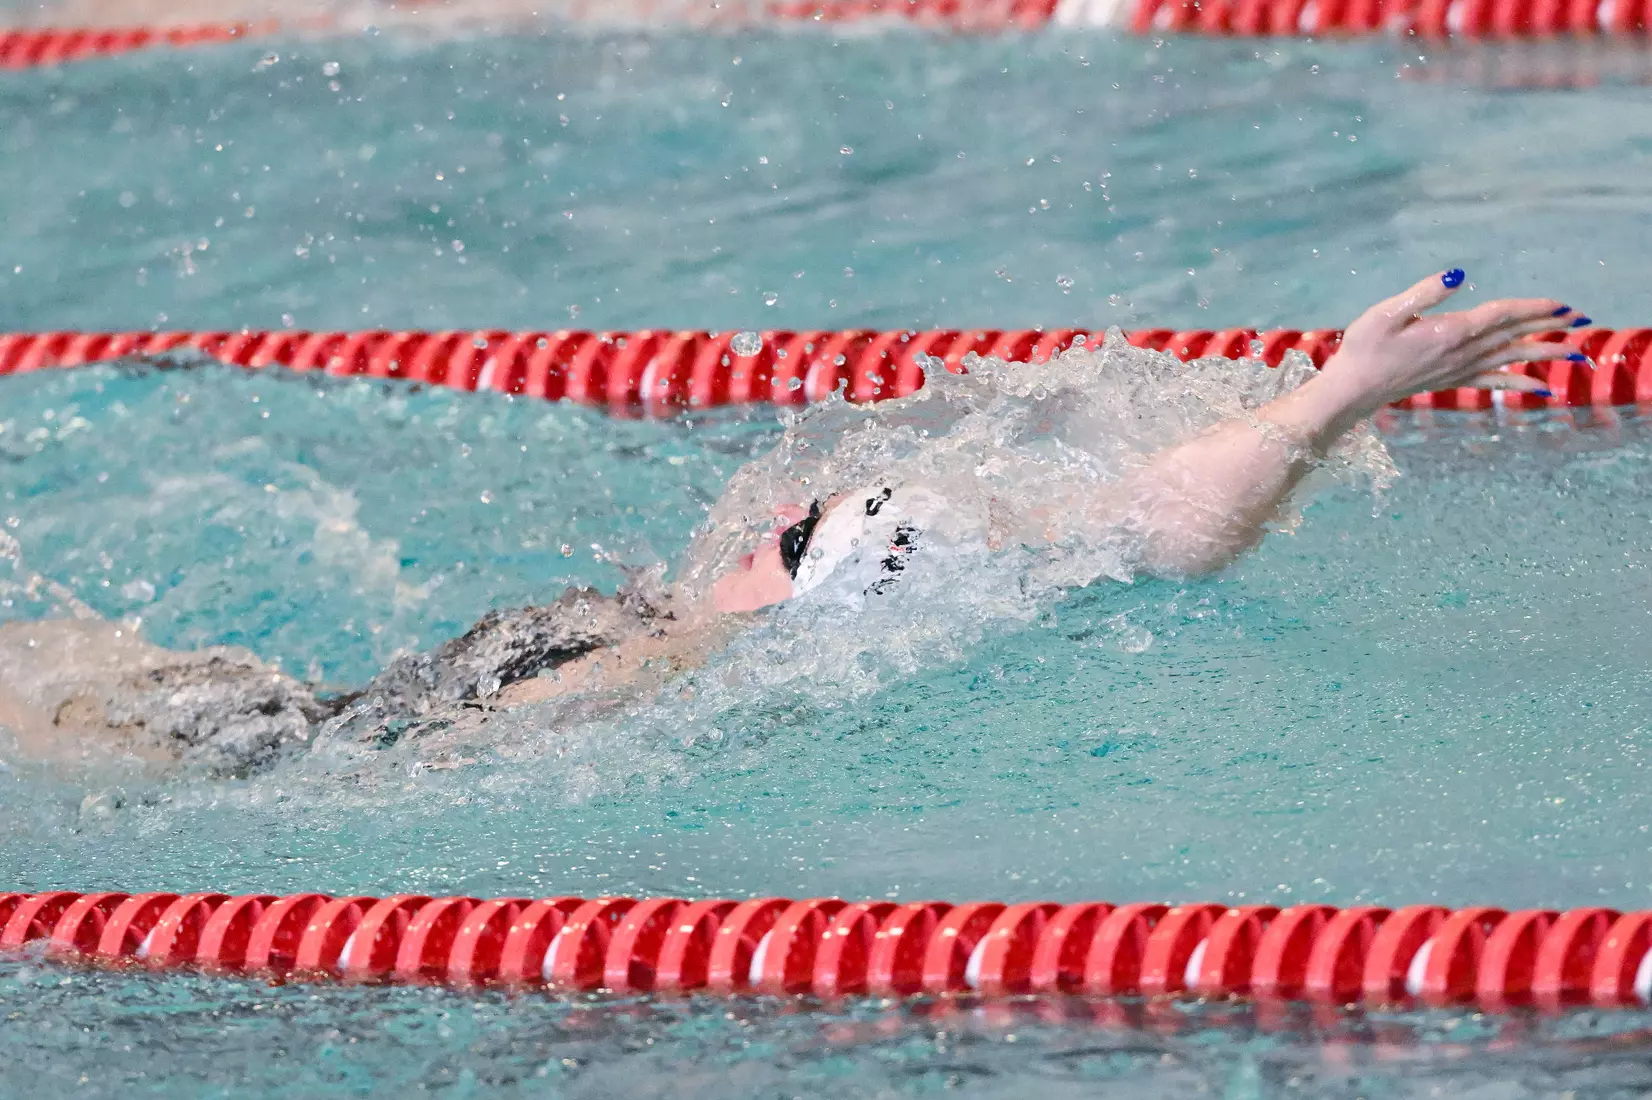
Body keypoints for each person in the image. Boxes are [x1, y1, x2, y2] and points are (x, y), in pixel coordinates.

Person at [0, 271, 1587, 776]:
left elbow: (1164, 517)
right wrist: (1327, 401)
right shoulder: (926, 585)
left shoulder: (944, 557)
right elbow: (1168, 523)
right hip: (571, 668)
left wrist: (1332, 399)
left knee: (197, 712)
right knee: (229, 739)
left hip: (588, 644)